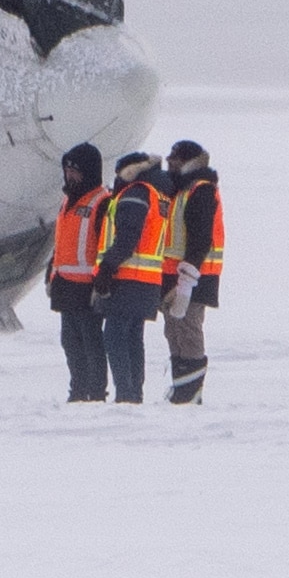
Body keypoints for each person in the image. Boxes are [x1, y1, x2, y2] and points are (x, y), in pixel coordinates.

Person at [88, 150, 172, 405]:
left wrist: (106, 269)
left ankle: (126, 393)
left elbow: (127, 239)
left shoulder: (134, 194)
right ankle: (134, 392)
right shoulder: (157, 195)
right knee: (133, 337)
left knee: (114, 336)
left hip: (128, 279)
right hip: (147, 281)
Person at [162, 139, 225, 403]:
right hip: (173, 277)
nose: (169, 162)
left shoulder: (201, 191)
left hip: (195, 278)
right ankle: (181, 387)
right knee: (174, 331)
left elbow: (200, 240)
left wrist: (187, 280)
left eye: (175, 158)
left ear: (188, 161)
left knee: (188, 330)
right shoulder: (181, 190)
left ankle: (190, 391)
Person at [45, 142, 107, 403]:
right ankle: (78, 390)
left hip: (87, 286)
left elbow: (104, 244)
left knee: (91, 343)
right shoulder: (67, 201)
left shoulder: (101, 202)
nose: (70, 175)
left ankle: (95, 392)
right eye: (67, 170)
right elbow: (61, 242)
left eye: (75, 171)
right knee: (70, 342)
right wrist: (51, 271)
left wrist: (101, 282)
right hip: (65, 284)